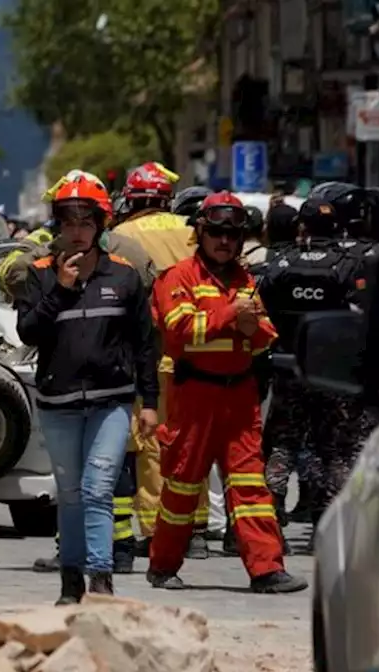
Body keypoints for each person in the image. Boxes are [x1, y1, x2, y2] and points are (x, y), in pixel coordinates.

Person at [146, 191, 306, 594]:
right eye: (216, 232)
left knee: (251, 486)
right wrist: (232, 316)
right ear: (200, 232)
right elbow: (179, 334)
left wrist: (250, 328)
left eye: (232, 235)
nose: (224, 241)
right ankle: (163, 566)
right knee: (183, 485)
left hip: (240, 397)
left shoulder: (245, 279)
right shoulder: (177, 277)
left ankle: (267, 569)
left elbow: (264, 336)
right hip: (195, 396)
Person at [15, 174, 159, 604]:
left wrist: (149, 403)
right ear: (57, 225)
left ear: (101, 224)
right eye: (68, 221)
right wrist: (60, 289)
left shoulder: (125, 277)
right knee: (72, 493)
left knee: (99, 489)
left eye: (85, 221)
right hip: (57, 404)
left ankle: (101, 578)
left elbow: (144, 344)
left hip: (110, 401)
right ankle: (70, 580)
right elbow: (28, 332)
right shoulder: (39, 275)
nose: (76, 231)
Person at [107, 163, 213, 560]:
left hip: (147, 352)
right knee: (193, 439)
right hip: (197, 348)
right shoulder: (191, 230)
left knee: (152, 444)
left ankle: (157, 529)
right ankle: (197, 525)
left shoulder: (119, 237)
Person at [257, 199, 359, 549]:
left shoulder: (281, 264)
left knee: (282, 445)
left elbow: (262, 311)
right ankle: (326, 529)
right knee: (334, 451)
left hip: (288, 366)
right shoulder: (348, 265)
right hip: (333, 374)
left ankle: (271, 527)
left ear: (302, 227)